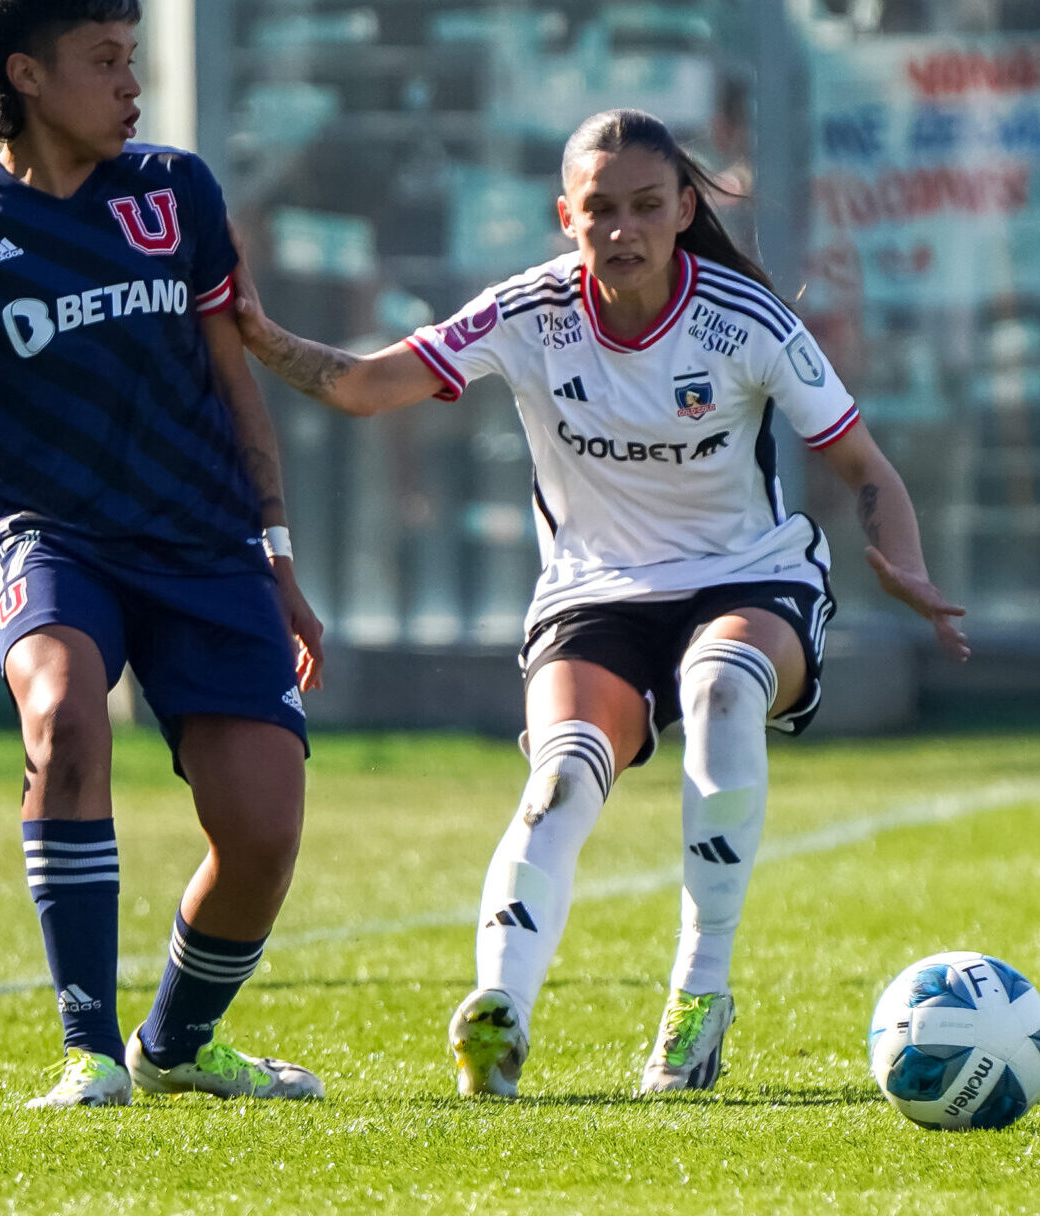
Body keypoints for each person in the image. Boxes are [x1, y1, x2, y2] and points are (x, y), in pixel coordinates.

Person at [232, 108, 969, 1097]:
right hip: (594, 593)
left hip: (746, 574)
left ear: (682, 210)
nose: (621, 229)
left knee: (718, 686)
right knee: (562, 777)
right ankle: (498, 1014)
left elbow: (860, 459)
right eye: (599, 210)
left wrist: (902, 558)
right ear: (565, 216)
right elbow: (366, 387)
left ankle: (698, 997)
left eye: (644, 206)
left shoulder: (745, 322)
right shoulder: (528, 315)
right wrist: (252, 333)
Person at [0, 0, 327, 1109]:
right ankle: (90, 1049)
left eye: (134, 59)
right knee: (64, 719)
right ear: (25, 74)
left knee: (262, 831)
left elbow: (234, 380)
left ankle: (178, 1042)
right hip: (52, 541)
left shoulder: (179, 193)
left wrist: (273, 552)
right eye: (105, 61)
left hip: (207, 543)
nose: (132, 85)